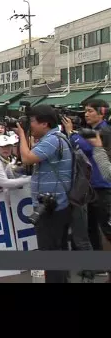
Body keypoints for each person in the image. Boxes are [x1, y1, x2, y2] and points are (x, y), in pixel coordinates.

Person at [16, 105, 72, 284]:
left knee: (50, 252)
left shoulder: (52, 140)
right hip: (56, 204)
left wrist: (22, 135)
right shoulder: (54, 138)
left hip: (51, 207)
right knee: (57, 250)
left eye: (32, 121)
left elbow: (27, 158)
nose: (30, 125)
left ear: (45, 123)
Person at [61, 99, 111, 256]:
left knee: (107, 228)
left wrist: (70, 132)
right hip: (92, 186)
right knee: (91, 228)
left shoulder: (104, 131)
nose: (86, 114)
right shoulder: (93, 129)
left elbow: (84, 147)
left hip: (103, 187)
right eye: (85, 111)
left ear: (101, 112)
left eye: (90, 111)